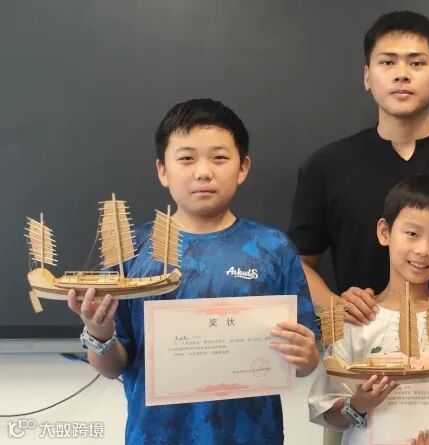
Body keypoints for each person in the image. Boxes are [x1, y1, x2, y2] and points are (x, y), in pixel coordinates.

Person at [66, 98, 320, 445]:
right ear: (162, 170)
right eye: (186, 158)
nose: (203, 172)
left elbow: (303, 362)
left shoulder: (272, 249)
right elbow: (112, 367)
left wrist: (307, 357)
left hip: (251, 436)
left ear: (243, 167)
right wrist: (98, 332)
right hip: (155, 436)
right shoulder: (130, 251)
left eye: (219, 158)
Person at [288, 10, 429, 335]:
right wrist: (333, 304)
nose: (401, 75)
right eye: (387, 62)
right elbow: (296, 263)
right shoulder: (326, 167)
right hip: (359, 349)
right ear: (367, 76)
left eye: (416, 63)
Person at [308, 175, 429, 445]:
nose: (423, 250)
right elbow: (325, 410)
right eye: (412, 234)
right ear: (384, 232)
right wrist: (359, 403)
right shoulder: (355, 317)